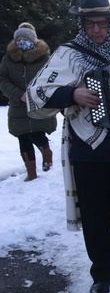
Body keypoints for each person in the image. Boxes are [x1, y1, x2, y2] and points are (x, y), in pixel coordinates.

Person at [26, 0, 110, 293]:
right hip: (89, 149)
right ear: (82, 25)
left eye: (102, 23)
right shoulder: (67, 55)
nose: (97, 29)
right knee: (95, 217)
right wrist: (72, 95)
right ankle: (103, 272)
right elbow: (34, 93)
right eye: (90, 23)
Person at [0, 22, 56, 181]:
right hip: (18, 105)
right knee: (23, 137)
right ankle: (31, 172)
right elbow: (2, 79)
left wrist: (37, 94)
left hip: (38, 104)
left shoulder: (44, 58)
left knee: (37, 134)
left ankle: (46, 152)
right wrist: (18, 94)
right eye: (19, 39)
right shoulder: (8, 59)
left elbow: (52, 78)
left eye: (26, 39)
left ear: (34, 41)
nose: (22, 42)